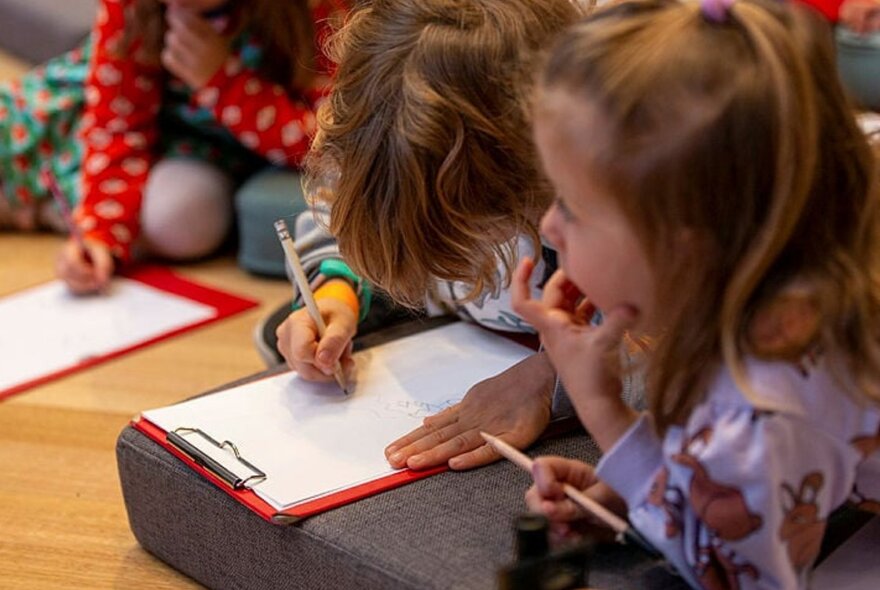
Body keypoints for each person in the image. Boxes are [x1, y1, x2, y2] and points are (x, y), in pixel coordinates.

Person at [511, 0, 880, 587]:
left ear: (687, 245)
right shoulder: (786, 283)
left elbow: (732, 573)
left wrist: (605, 412)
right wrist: (643, 486)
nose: (550, 228)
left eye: (573, 208)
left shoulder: (764, 387)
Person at [272, 0, 599, 472]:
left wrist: (551, 378)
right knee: (286, 338)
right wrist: (338, 288)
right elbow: (334, 212)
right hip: (460, 333)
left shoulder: (609, 194)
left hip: (569, 342)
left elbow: (669, 350)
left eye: (466, 245)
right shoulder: (379, 128)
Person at [0, 0, 345, 293]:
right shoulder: (134, 8)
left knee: (182, 218)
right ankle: (45, 208)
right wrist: (99, 233)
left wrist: (222, 81)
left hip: (197, 150)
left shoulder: (314, 11)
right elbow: (116, 126)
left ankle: (38, 206)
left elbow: (328, 140)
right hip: (83, 110)